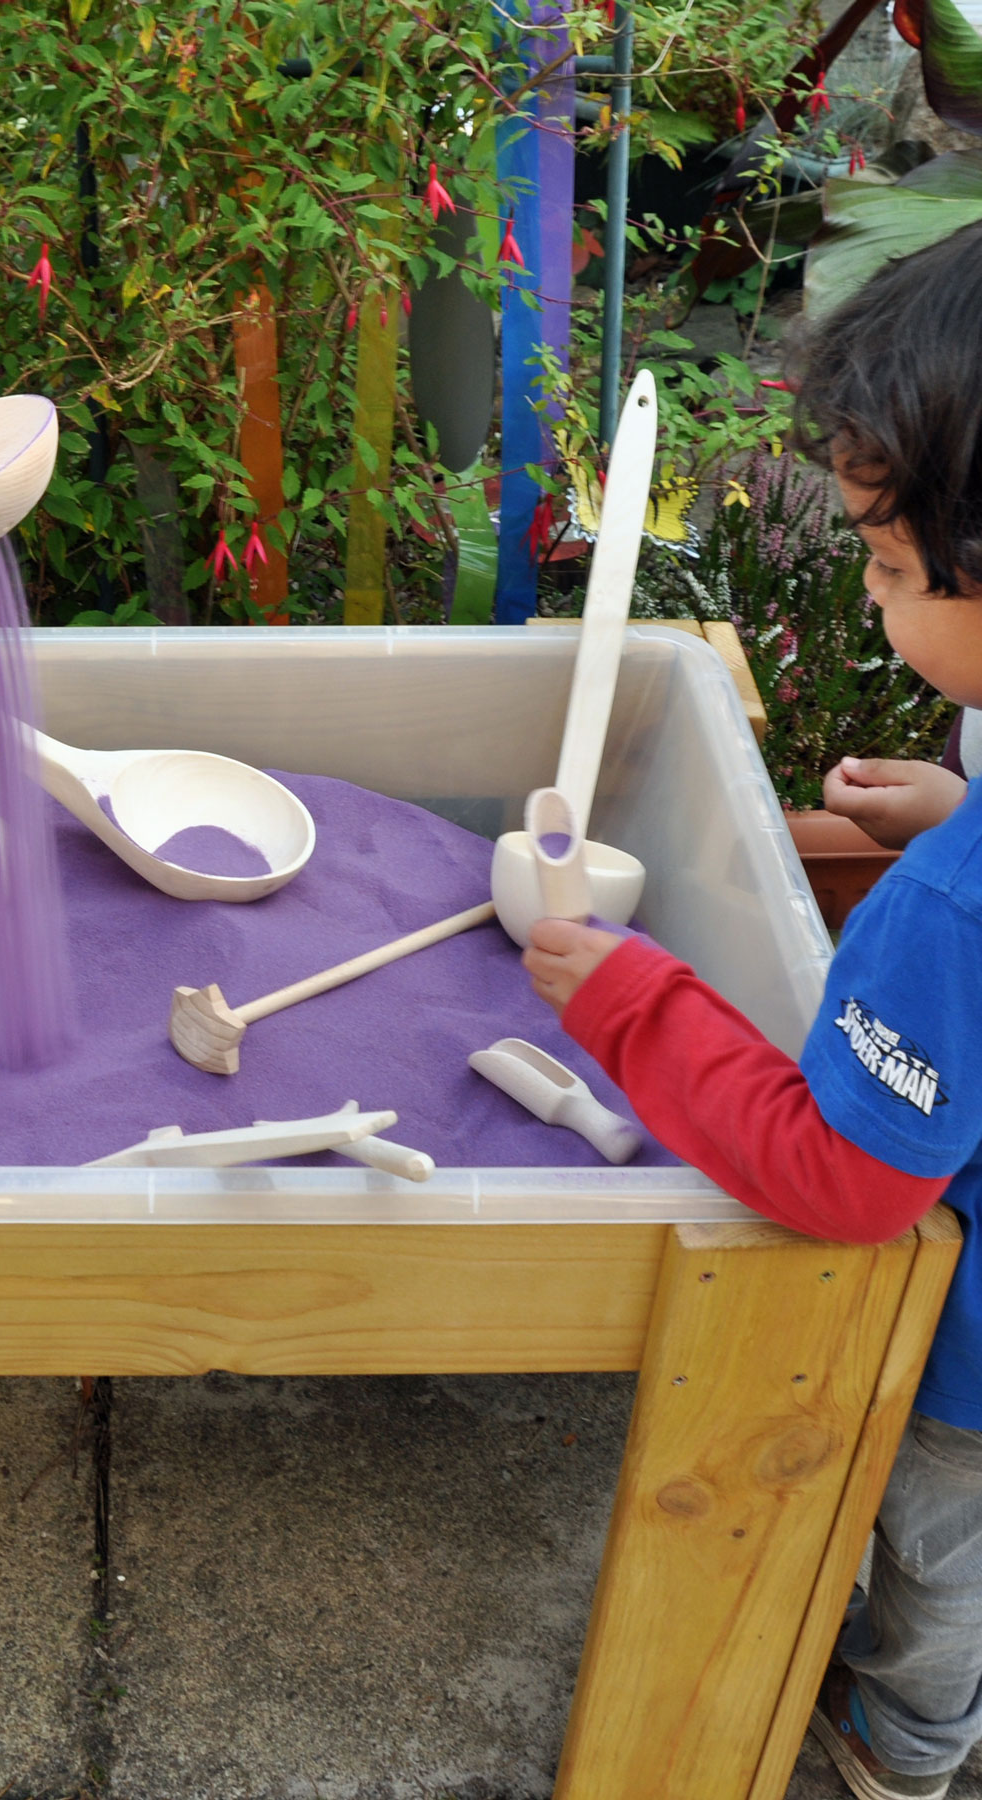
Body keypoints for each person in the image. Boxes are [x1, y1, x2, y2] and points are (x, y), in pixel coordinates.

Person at [525, 220, 982, 1800]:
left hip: (975, 1376)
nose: (867, 595)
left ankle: (903, 1746)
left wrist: (635, 1001)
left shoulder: (947, 917)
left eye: (880, 561)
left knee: (937, 1562)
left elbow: (848, 1180)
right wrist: (958, 793)